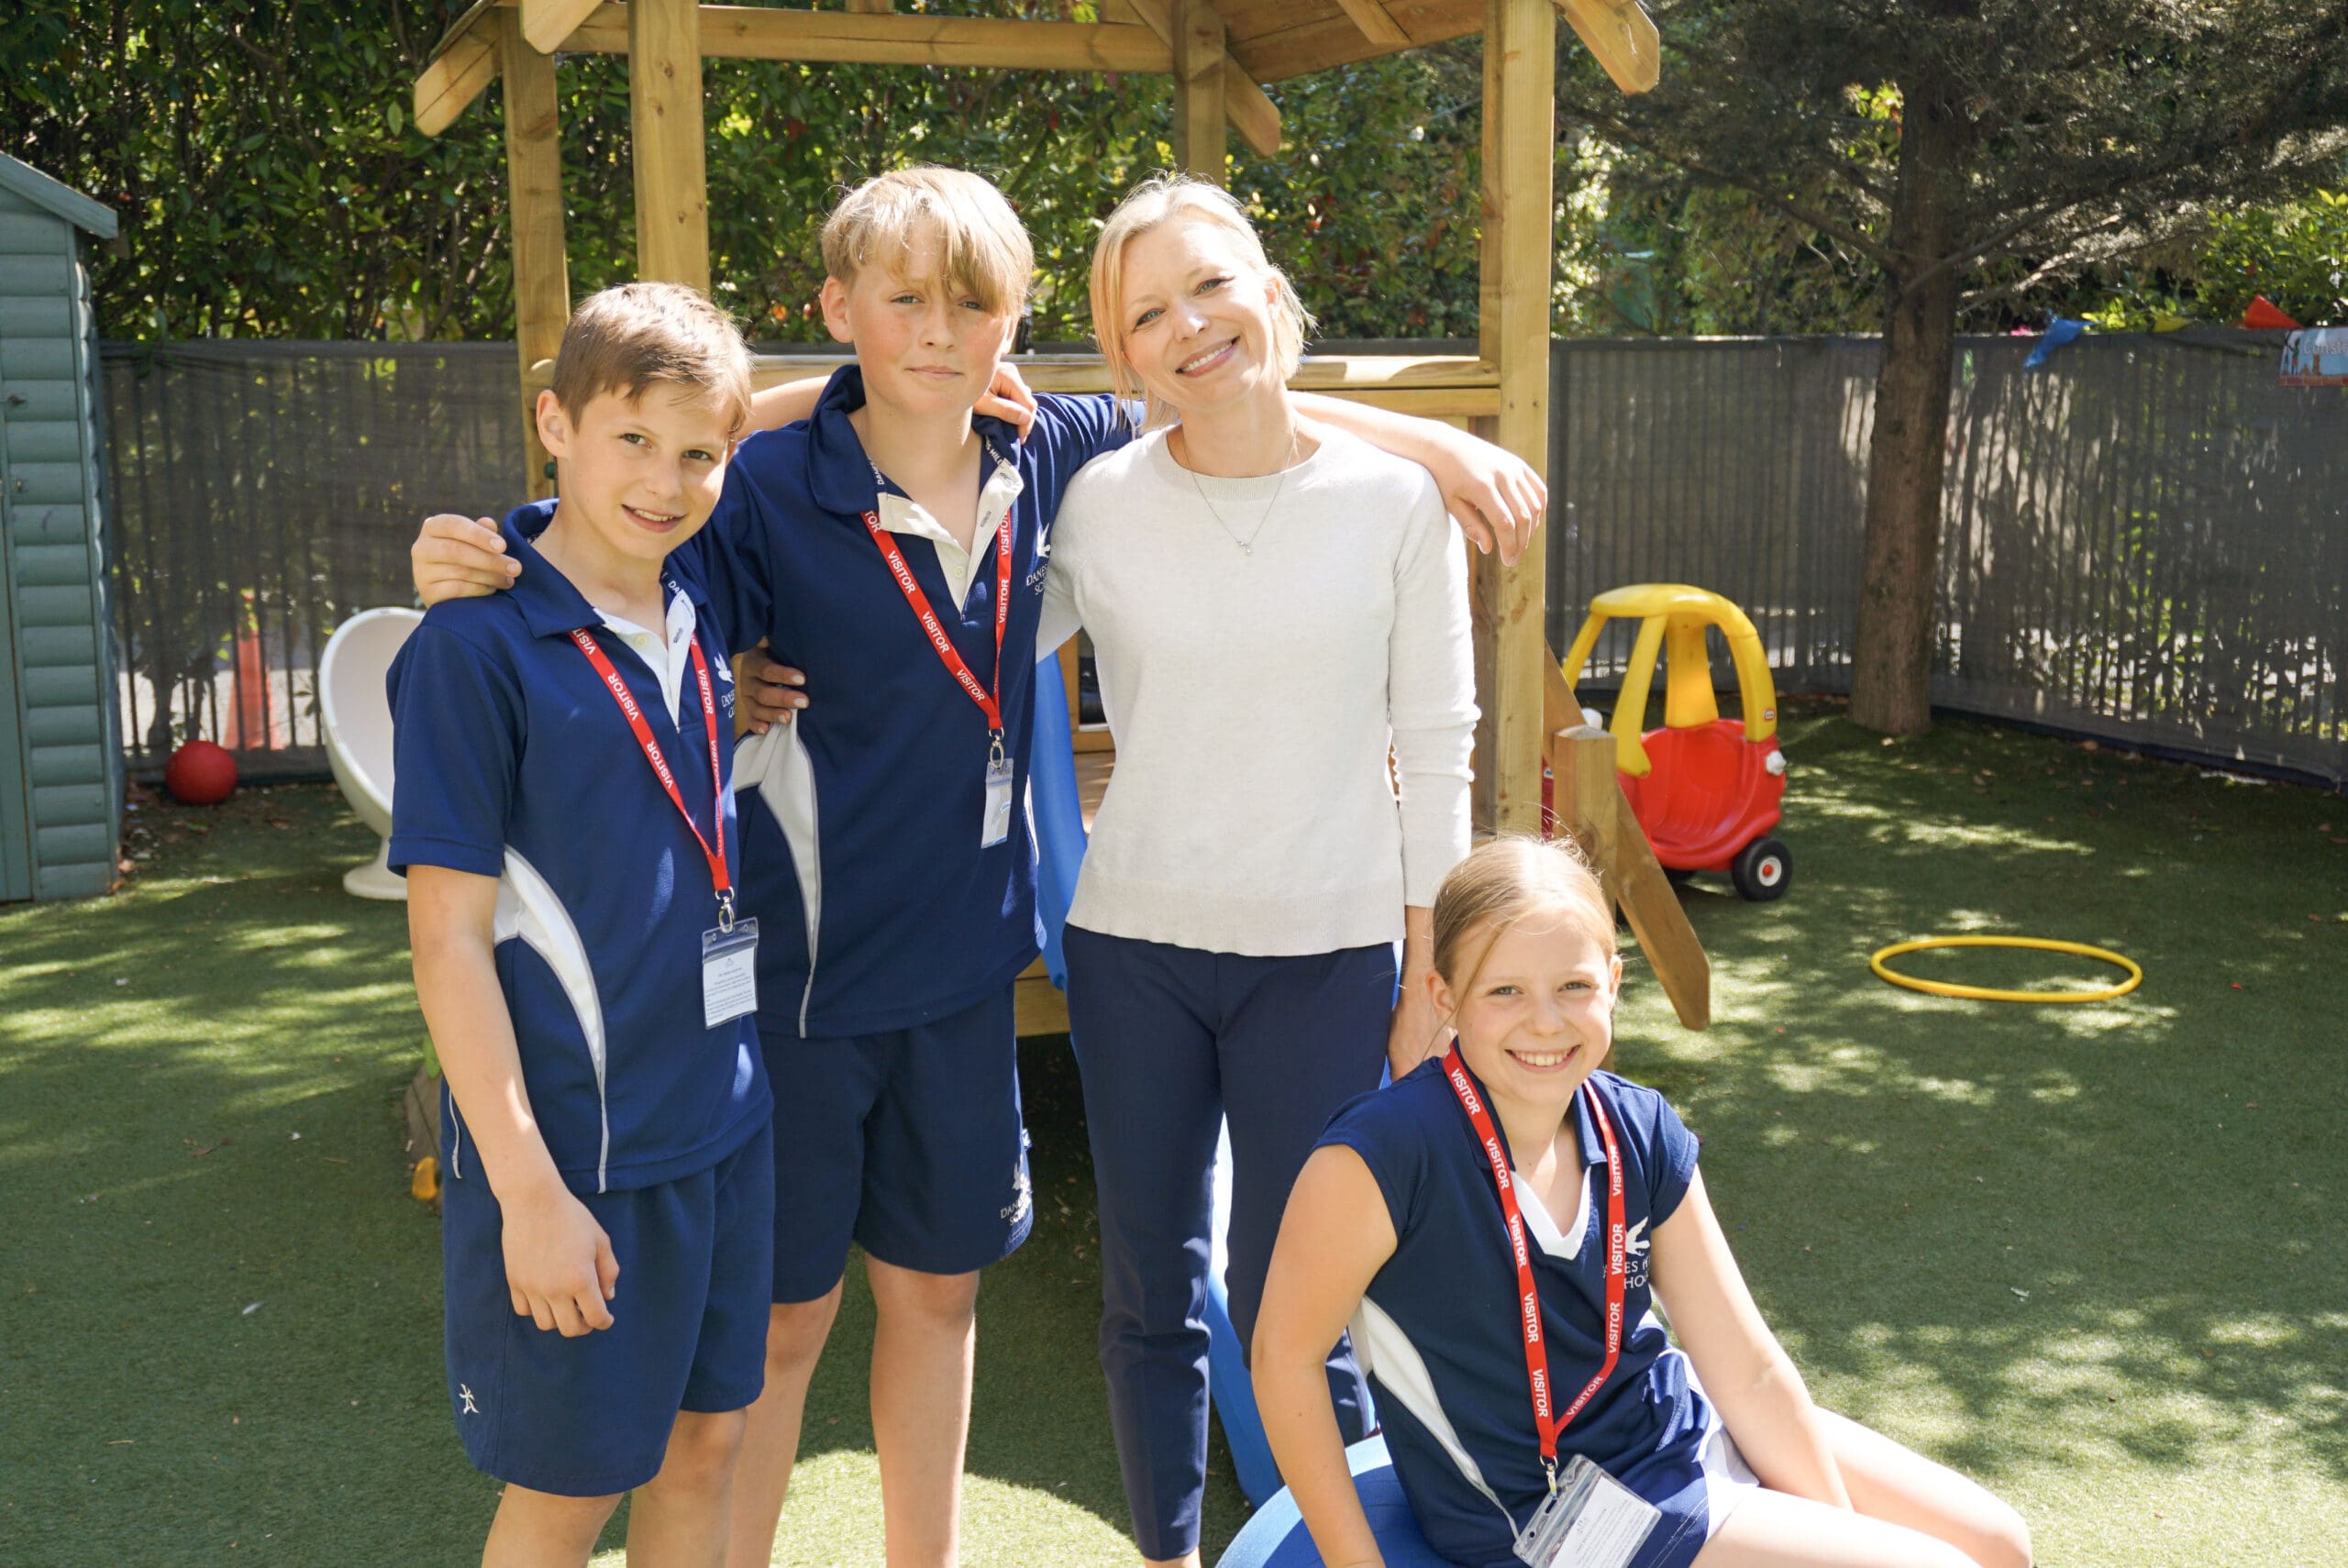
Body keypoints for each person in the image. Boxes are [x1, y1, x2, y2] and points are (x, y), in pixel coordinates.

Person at [407, 165, 1544, 1568]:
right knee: (780, 1329)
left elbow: (1222, 392)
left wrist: (1423, 443)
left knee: (941, 1301)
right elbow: (627, 548)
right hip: (795, 989)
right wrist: (491, 544)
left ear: (1015, 327)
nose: (940, 334)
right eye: (903, 303)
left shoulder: (1057, 457)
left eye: (974, 306)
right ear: (840, 314)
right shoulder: (759, 487)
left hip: (966, 978)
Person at [1034, 173, 1479, 1568]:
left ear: (1272, 293)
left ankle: (1332, 1552)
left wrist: (1431, 977)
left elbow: (1440, 751)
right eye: (1146, 314)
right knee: (1148, 1296)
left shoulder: (1397, 503)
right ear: (1124, 360)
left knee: (1306, 1301)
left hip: (1334, 960)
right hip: (1136, 952)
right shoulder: (1094, 505)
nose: (1190, 327)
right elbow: (938, 636)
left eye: (1210, 286)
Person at [1253, 836, 2035, 1568]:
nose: (1546, 1021)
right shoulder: (1382, 1156)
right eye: (1505, 991)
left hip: (1679, 1432)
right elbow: (1284, 1359)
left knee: (2000, 1544)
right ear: (1444, 995)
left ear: (1613, 983)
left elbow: (1749, 1368)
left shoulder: (1638, 1126)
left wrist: (1829, 1528)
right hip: (1551, 1515)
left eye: (1574, 986)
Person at [392, 282, 772, 1568]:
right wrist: (528, 1194)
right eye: (631, 440)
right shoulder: (473, 649)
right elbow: (446, 944)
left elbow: (782, 424)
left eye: (697, 454)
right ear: (553, 421)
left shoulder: (698, 595)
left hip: (723, 1126)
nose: (664, 483)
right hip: (578, 1164)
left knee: (706, 1450)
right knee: (569, 1497)